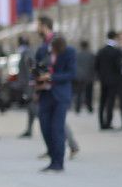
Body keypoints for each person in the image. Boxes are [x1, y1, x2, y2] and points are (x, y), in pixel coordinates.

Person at [34, 32, 76, 172]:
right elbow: (36, 69)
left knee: (57, 128)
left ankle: (58, 163)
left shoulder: (69, 52)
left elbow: (71, 73)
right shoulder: (42, 51)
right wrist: (36, 80)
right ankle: (52, 158)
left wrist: (51, 77)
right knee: (45, 127)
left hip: (61, 96)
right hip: (45, 94)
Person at [96, 30, 122, 130]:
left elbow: (96, 66)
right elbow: (119, 66)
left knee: (102, 101)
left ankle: (102, 123)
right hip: (114, 80)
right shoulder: (117, 51)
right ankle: (108, 122)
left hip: (103, 80)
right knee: (110, 101)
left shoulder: (101, 50)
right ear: (115, 38)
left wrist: (100, 76)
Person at [74, 40, 96, 114]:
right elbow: (93, 66)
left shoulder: (77, 55)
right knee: (89, 93)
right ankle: (89, 107)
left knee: (79, 93)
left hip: (79, 77)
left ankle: (77, 108)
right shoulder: (91, 55)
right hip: (89, 77)